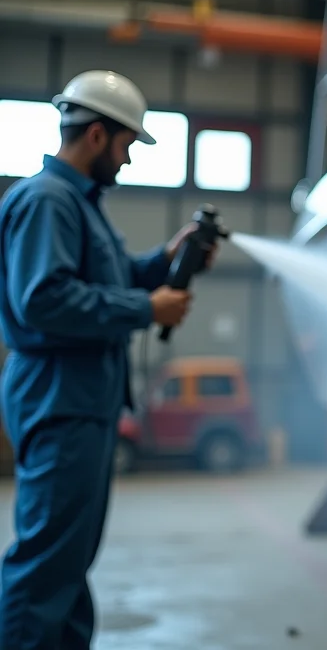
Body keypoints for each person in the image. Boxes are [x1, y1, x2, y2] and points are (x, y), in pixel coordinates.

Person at [0, 70, 219, 650]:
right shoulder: (47, 202)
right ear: (97, 135)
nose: (128, 160)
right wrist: (148, 308)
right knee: (47, 559)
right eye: (127, 145)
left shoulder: (79, 204)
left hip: (81, 400)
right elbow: (44, 300)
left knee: (69, 558)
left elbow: (113, 280)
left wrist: (168, 258)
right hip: (60, 398)